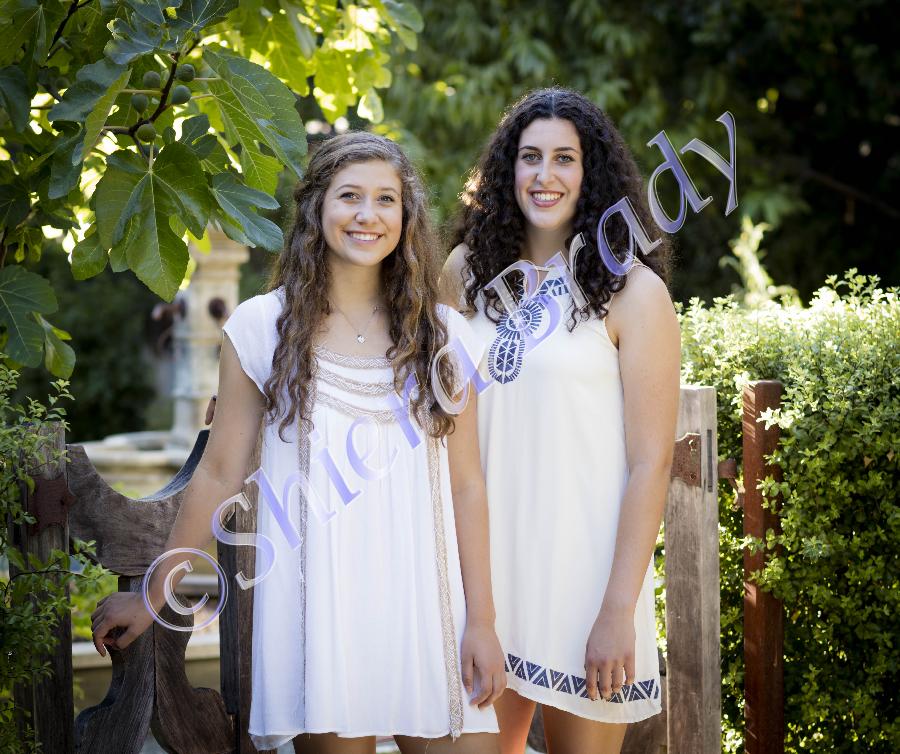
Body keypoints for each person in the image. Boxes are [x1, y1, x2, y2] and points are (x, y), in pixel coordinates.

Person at [91, 132, 506, 754]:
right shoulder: (262, 327)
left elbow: (468, 486)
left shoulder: (443, 335)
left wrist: (484, 622)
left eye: (386, 199)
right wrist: (154, 595)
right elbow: (219, 472)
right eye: (350, 196)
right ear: (316, 208)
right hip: (322, 615)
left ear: (406, 216)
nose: (368, 215)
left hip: (431, 606)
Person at [440, 88, 680, 754]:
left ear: (591, 172)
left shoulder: (634, 292)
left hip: (586, 585)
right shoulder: (464, 275)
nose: (545, 175)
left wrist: (617, 610)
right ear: (507, 169)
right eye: (530, 157)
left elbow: (650, 463)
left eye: (564, 159)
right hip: (483, 586)